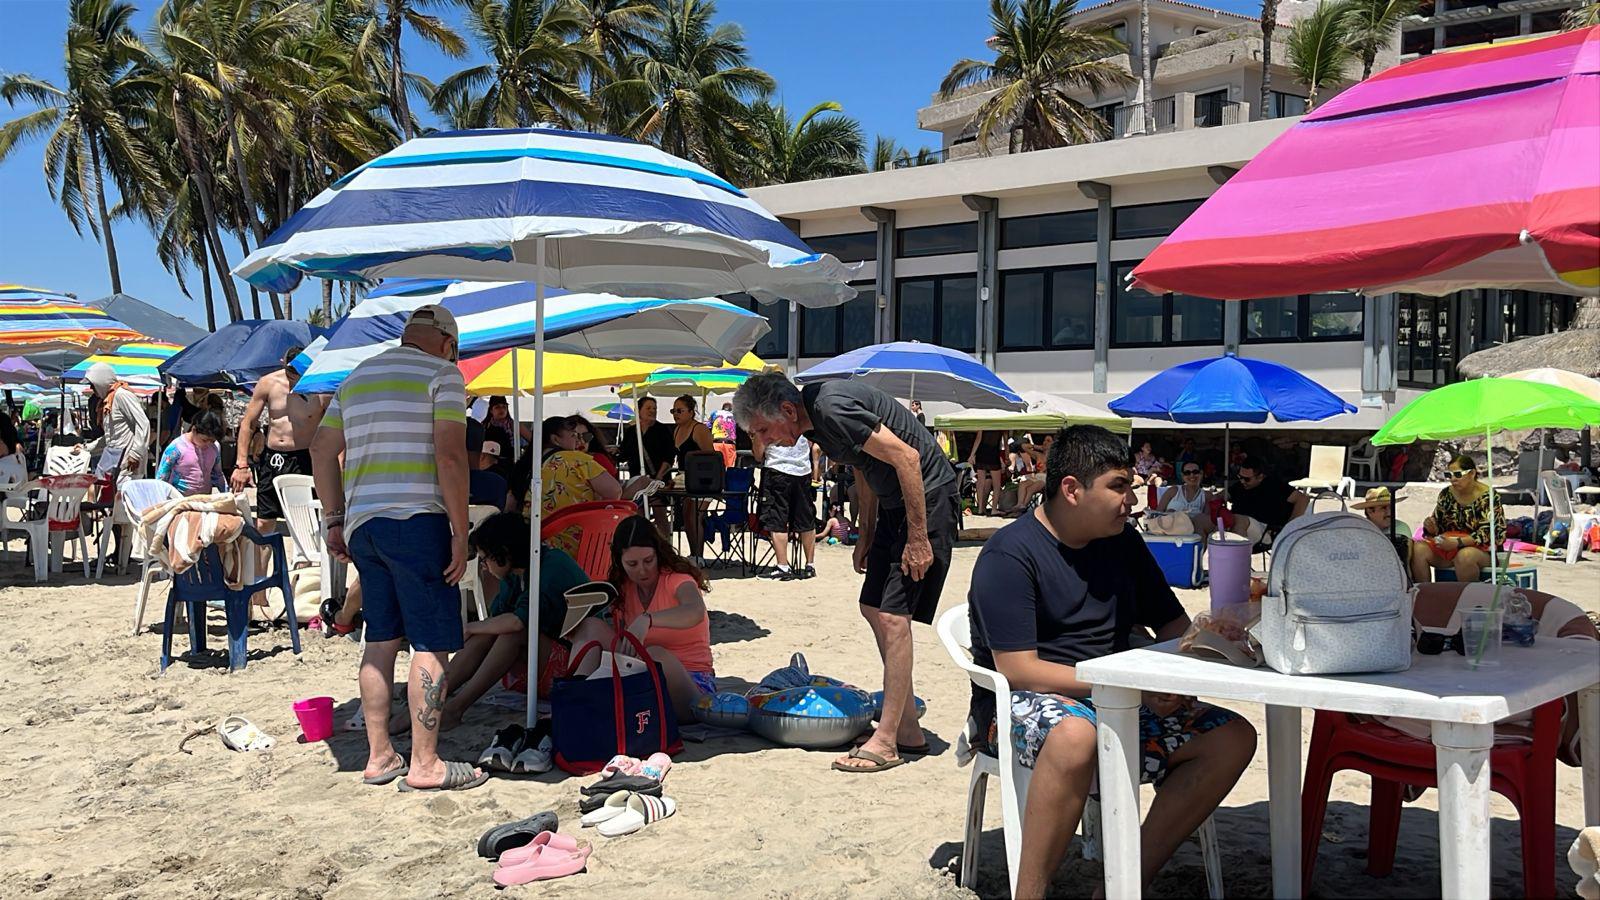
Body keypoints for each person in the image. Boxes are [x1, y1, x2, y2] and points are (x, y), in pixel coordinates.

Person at [967, 425, 1256, 898]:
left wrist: (1195, 658)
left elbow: (1172, 626)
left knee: (1232, 737)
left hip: (1122, 699)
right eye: (1119, 486)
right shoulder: (1010, 554)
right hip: (1022, 705)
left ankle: (1125, 883)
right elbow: (1019, 669)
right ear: (1072, 490)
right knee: (1075, 736)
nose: (1132, 500)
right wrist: (1129, 686)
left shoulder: (1122, 543)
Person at [733, 372, 958, 773]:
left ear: (788, 410)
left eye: (764, 430)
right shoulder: (814, 423)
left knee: (893, 617)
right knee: (872, 606)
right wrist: (867, 532)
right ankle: (907, 729)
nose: (765, 442)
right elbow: (865, 467)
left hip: (927, 498)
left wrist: (918, 537)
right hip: (894, 507)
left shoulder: (830, 408)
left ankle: (887, 741)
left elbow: (907, 458)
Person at [310, 304, 485, 792]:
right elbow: (450, 456)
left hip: (364, 524)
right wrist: (460, 531)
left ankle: (379, 756)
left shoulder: (357, 377)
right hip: (417, 520)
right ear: (448, 344)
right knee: (430, 643)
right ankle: (425, 764)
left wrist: (334, 518)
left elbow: (321, 449)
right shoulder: (443, 375)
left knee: (381, 640)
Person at [439, 513, 591, 730]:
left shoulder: (551, 568)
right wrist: (475, 629)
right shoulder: (515, 573)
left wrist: (470, 627)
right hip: (545, 659)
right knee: (487, 633)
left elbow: (518, 622)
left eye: (485, 558)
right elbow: (497, 619)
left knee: (512, 634)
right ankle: (437, 696)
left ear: (504, 552)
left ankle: (455, 707)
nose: (483, 566)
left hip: (577, 666)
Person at [590, 514, 717, 718]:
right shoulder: (624, 588)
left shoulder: (677, 579)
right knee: (591, 627)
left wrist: (648, 619)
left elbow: (695, 610)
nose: (642, 570)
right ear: (620, 562)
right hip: (639, 676)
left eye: (648, 561)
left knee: (655, 655)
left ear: (658, 553)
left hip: (691, 682)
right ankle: (575, 697)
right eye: (632, 564)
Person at [231, 346, 329, 527]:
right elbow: (248, 423)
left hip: (304, 458)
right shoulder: (268, 383)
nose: (293, 378)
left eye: (298, 374)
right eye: (289, 372)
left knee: (305, 520)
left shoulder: (321, 390)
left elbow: (334, 428)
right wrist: (242, 464)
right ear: (283, 363)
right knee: (264, 522)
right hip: (273, 458)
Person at [536, 416, 651, 554]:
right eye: (574, 435)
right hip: (579, 543)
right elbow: (614, 491)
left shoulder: (530, 464)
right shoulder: (581, 460)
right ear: (556, 439)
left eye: (585, 436)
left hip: (537, 544)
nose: (579, 441)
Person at [1412, 454, 1504, 584]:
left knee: (1465, 556)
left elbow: (1489, 533)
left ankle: (1469, 595)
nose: (1453, 479)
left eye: (1458, 475)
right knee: (1418, 549)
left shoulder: (1488, 497)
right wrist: (1432, 527)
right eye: (1449, 475)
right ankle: (1424, 592)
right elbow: (1439, 525)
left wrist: (1458, 543)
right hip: (1449, 547)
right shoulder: (1446, 494)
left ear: (1472, 473)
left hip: (1480, 551)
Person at [754, 431, 818, 580]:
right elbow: (811, 440)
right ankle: (810, 565)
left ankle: (783, 566)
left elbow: (758, 449)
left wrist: (758, 451)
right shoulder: (802, 416)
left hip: (777, 468)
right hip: (802, 469)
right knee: (806, 519)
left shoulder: (767, 417)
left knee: (777, 518)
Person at [669, 395, 719, 565]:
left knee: (694, 515)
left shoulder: (699, 430)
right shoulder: (676, 430)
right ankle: (694, 554)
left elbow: (711, 457)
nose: (675, 414)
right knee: (686, 516)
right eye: (673, 411)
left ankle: (698, 556)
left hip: (704, 478)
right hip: (684, 478)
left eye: (679, 411)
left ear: (691, 412)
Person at [83, 362, 149, 480]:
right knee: (101, 486)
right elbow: (112, 436)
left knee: (123, 491)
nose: (91, 388)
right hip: (114, 458)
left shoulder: (122, 395)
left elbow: (143, 424)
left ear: (101, 381)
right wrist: (87, 448)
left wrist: (136, 454)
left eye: (92, 384)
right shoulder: (109, 400)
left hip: (128, 461)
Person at [1229, 455, 1309, 545]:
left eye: (1247, 479)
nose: (1242, 481)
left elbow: (1303, 499)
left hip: (1265, 531)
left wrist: (1289, 527)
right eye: (1240, 477)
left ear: (1260, 477)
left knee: (1238, 519)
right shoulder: (1239, 486)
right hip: (1239, 526)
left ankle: (1236, 553)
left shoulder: (1274, 486)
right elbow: (1223, 495)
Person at [154, 411, 229, 496]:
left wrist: (227, 493)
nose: (208, 444)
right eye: (204, 440)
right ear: (194, 430)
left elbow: (217, 474)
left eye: (212, 441)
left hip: (204, 499)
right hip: (179, 498)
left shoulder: (214, 447)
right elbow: (162, 476)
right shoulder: (177, 447)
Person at [617, 396, 677, 482]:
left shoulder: (663, 430)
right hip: (636, 478)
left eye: (654, 408)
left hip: (658, 479)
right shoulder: (631, 431)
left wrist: (659, 477)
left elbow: (669, 456)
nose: (652, 411)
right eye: (648, 408)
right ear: (638, 411)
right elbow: (624, 453)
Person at [1150, 460, 1214, 535]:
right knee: (1171, 512)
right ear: (1182, 476)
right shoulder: (1173, 491)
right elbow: (1158, 513)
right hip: (1169, 532)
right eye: (1187, 473)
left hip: (1193, 534)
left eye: (1195, 472)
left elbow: (1206, 521)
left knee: (1200, 518)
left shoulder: (1207, 495)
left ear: (1201, 473)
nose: (1192, 475)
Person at [480, 395, 531, 463]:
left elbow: (532, 440)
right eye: (497, 407)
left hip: (511, 461)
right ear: (491, 410)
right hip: (489, 462)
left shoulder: (513, 424)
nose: (501, 410)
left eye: (504, 407)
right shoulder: (485, 425)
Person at [968, 429, 1005, 516]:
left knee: (980, 482)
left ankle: (980, 508)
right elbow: (1005, 442)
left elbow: (978, 438)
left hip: (982, 452)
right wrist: (1006, 456)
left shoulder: (984, 422)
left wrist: (972, 454)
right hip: (993, 452)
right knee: (997, 484)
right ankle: (994, 509)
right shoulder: (1001, 424)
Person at [710, 401, 739, 467]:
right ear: (731, 409)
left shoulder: (715, 413)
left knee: (716, 466)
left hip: (716, 442)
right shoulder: (735, 416)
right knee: (729, 467)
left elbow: (708, 426)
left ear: (722, 408)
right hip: (729, 443)